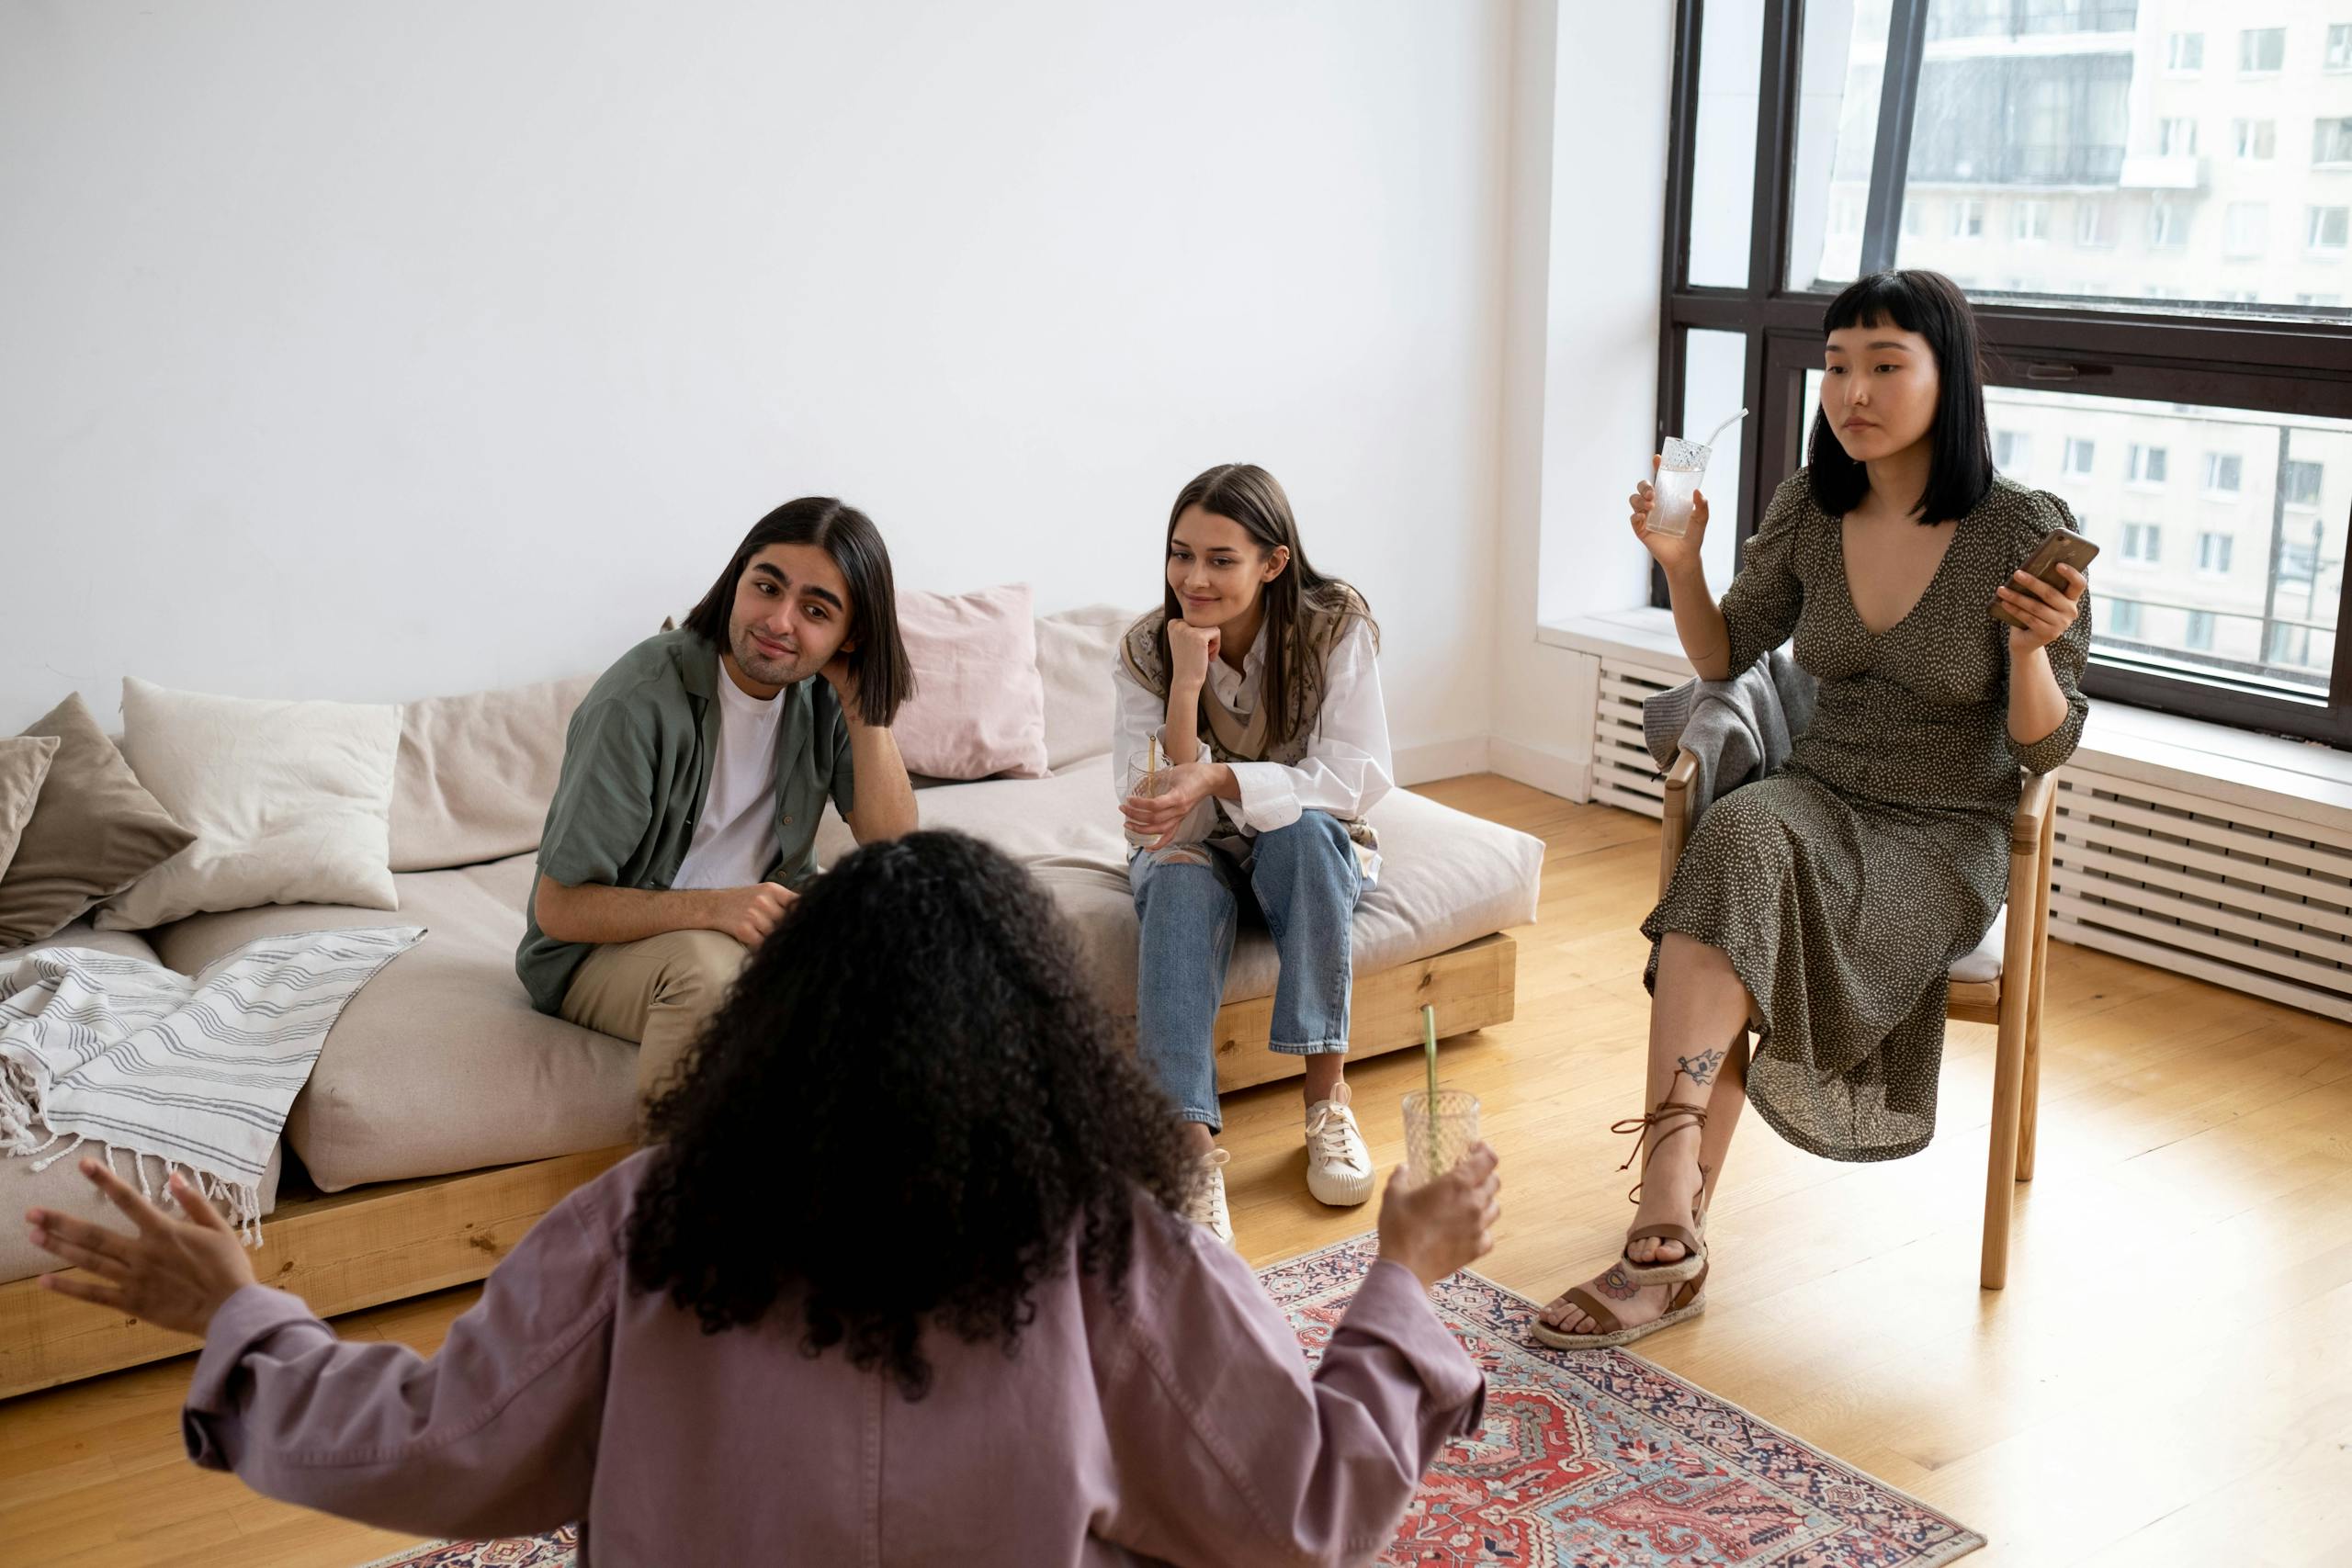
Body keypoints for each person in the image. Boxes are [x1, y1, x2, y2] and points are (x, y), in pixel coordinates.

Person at [26, 830, 1501, 1567]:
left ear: (778, 1017)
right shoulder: (1111, 1245)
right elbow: (1298, 1510)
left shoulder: (653, 1213)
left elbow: (440, 1442)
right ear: (1045, 1033)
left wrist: (242, 1316)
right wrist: (1405, 1278)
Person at [1534, 270, 2091, 1348]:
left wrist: (2029, 651)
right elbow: (1721, 655)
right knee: (1740, 830)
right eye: (1837, 365)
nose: (1853, 391)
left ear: (1950, 377)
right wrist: (1680, 564)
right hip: (1821, 796)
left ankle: (1666, 1230)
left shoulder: (2021, 527)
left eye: (1886, 364)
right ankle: (1667, 1208)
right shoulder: (1810, 501)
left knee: (1747, 879)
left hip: (1943, 834)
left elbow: (2048, 745)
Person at [515, 496, 920, 1112]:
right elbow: (560, 909)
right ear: (738, 580)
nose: (779, 620)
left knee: (916, 941)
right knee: (709, 976)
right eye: (766, 586)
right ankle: (684, 1198)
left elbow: (892, 847)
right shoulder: (640, 700)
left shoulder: (823, 694)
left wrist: (865, 706)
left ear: (850, 634)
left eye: (816, 609)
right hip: (599, 953)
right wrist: (719, 908)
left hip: (754, 931)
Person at [1114, 464, 1395, 1244]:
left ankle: (1327, 1101)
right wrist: (1184, 689)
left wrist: (1222, 773)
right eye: (1180, 554)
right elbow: (1158, 815)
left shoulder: (1336, 626)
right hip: (1193, 846)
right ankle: (1189, 1148)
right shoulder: (1146, 647)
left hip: (1305, 842)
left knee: (1305, 834)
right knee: (1176, 877)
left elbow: (1351, 781)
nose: (1192, 577)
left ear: (1273, 562)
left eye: (1219, 558)